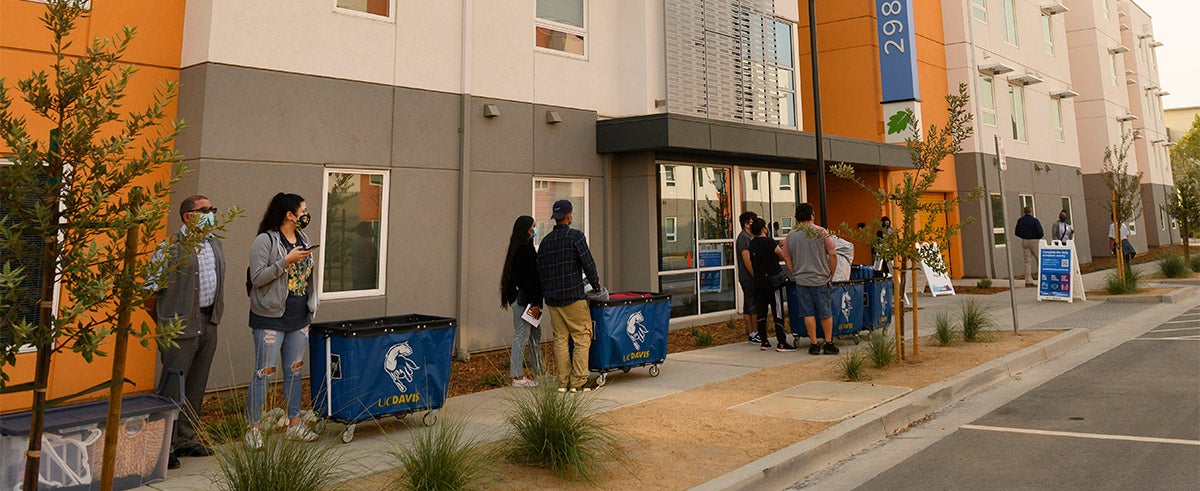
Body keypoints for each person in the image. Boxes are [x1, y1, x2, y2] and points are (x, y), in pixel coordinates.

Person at [146, 195, 224, 469]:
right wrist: (166, 322)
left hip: (208, 321)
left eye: (211, 209)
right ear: (187, 216)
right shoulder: (169, 247)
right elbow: (151, 292)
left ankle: (186, 438)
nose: (210, 214)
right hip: (179, 327)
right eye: (204, 210)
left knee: (196, 384)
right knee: (172, 386)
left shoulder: (214, 244)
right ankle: (162, 445)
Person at [244, 193, 320, 449]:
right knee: (263, 373)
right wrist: (284, 262)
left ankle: (294, 424)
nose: (306, 214)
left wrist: (312, 304)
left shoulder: (303, 238)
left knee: (295, 372)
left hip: (299, 316)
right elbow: (258, 277)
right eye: (303, 210)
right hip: (270, 317)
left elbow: (307, 276)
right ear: (290, 214)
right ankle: (253, 428)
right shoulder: (265, 241)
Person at [536, 199, 603, 392]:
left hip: (552, 300)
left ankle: (563, 383)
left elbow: (541, 271)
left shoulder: (545, 242)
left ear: (554, 218)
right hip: (573, 296)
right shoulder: (576, 236)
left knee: (560, 339)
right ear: (569, 216)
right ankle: (578, 382)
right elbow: (588, 263)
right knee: (582, 336)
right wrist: (596, 285)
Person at [783, 203, 839, 355]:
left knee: (808, 313)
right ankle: (828, 343)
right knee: (825, 313)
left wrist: (794, 271)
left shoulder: (791, 234)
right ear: (812, 215)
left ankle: (813, 344)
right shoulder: (821, 232)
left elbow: (786, 256)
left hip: (802, 280)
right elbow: (832, 253)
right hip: (820, 278)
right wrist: (831, 273)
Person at [500, 215, 544, 388]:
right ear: (526, 229)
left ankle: (540, 372)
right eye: (533, 227)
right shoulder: (524, 250)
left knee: (535, 334)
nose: (534, 230)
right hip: (525, 301)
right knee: (521, 335)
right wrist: (535, 303)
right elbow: (529, 279)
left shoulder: (518, 248)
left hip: (525, 300)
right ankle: (517, 376)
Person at [744, 217, 795, 351]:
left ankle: (764, 341)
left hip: (759, 283)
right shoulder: (769, 242)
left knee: (761, 312)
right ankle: (782, 342)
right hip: (773, 283)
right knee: (777, 311)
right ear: (763, 229)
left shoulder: (752, 244)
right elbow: (781, 255)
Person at [735, 211, 761, 344]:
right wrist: (755, 275)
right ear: (746, 224)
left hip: (747, 277)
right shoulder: (744, 238)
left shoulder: (749, 237)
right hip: (748, 277)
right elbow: (746, 259)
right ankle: (755, 332)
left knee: (747, 305)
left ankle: (752, 333)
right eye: (752, 221)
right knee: (753, 305)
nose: (754, 223)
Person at [1014, 207, 1044, 287]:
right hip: (1034, 241)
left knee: (1027, 262)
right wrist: (1037, 237)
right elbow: (1040, 233)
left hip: (1025, 241)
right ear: (1031, 211)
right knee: (1039, 260)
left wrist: (1023, 236)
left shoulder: (1020, 220)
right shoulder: (1035, 221)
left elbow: (1016, 232)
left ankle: (1028, 281)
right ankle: (1042, 279)